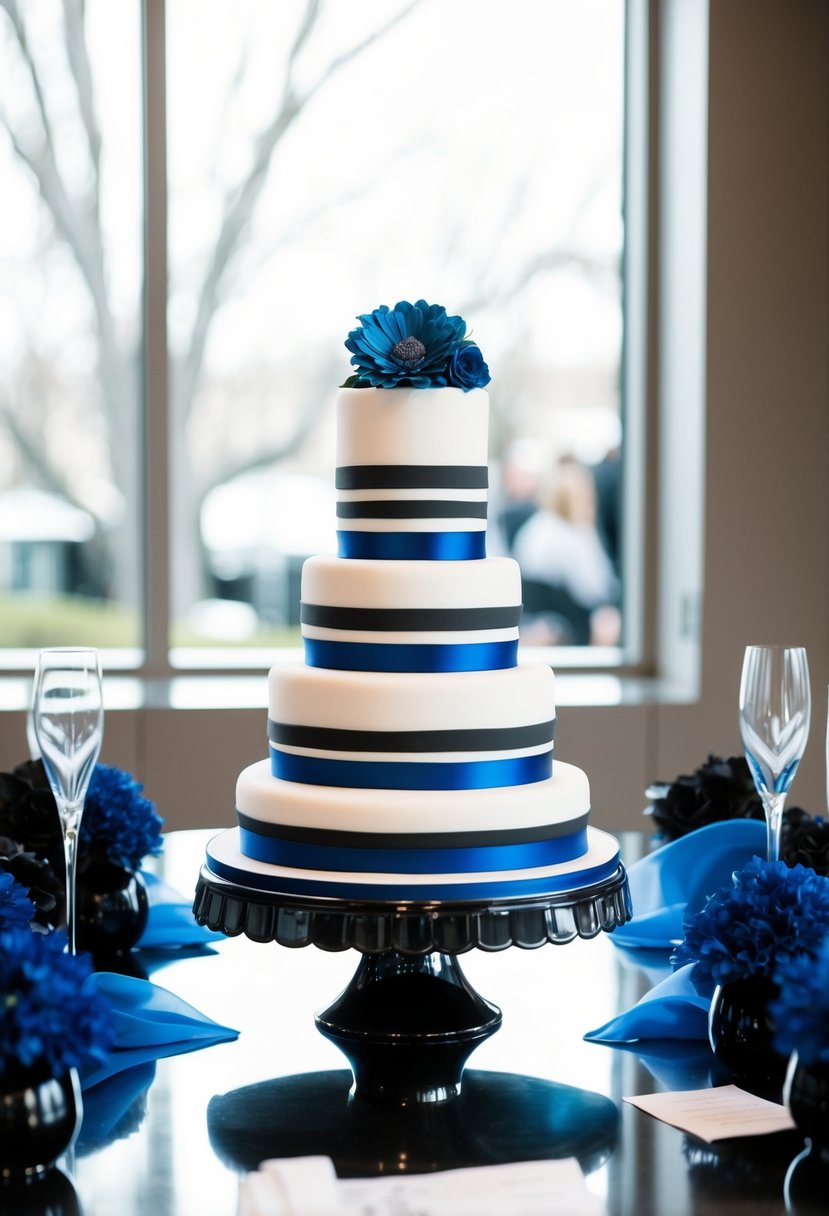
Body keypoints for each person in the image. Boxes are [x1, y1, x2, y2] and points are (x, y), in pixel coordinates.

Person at [512, 456, 620, 646]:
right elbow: (595, 591)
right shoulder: (568, 534)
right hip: (565, 625)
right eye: (584, 498)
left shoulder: (538, 526)